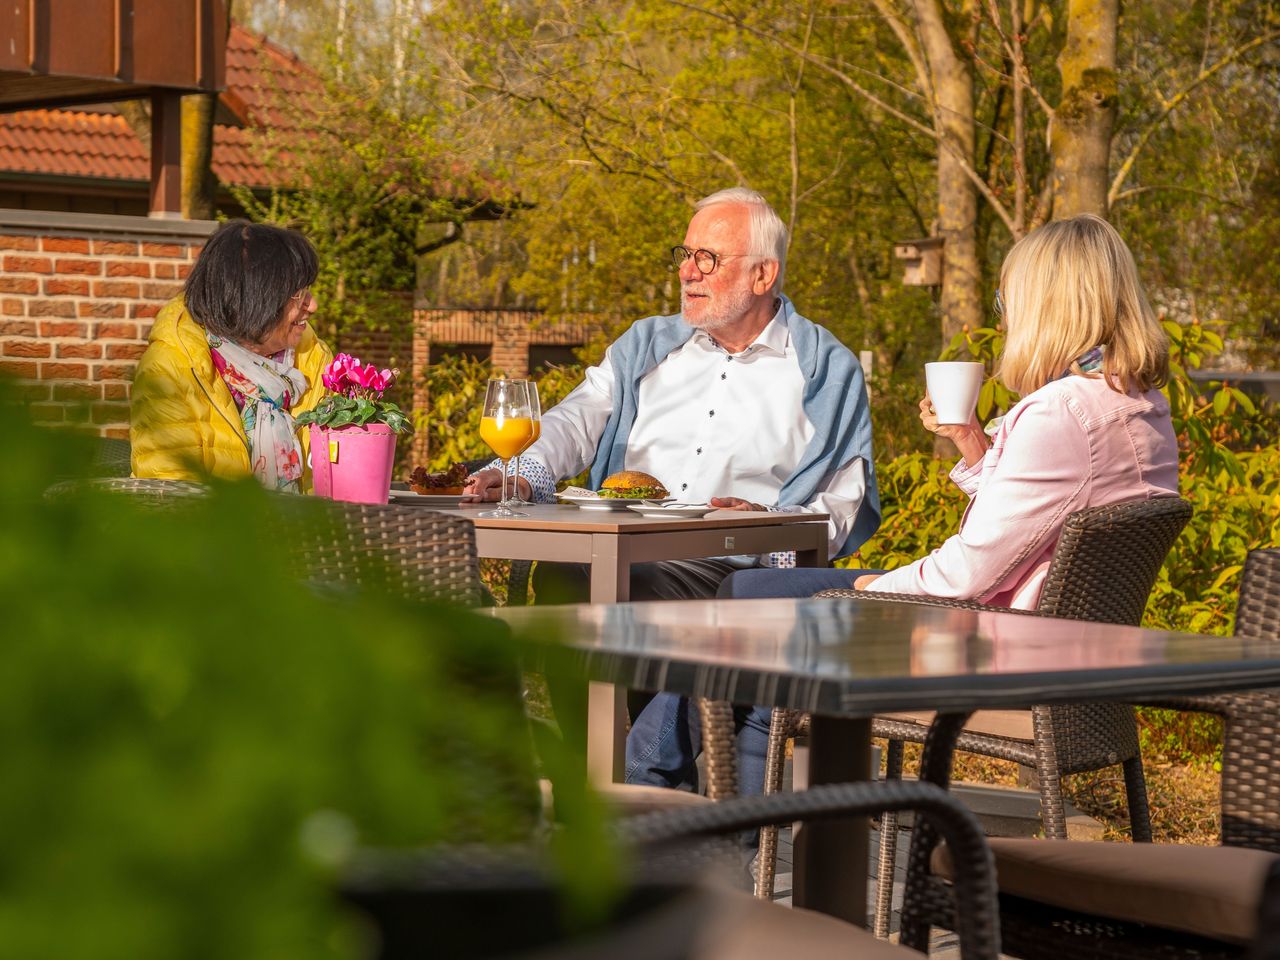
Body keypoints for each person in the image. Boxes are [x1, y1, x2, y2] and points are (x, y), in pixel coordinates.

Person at [464, 186, 881, 800]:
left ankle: (637, 789)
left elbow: (841, 503)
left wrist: (774, 518)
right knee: (568, 582)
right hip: (628, 552)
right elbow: (578, 417)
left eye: (708, 258)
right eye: (685, 254)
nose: (688, 271)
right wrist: (524, 470)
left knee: (630, 602)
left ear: (764, 274)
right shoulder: (645, 345)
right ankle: (600, 779)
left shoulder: (823, 366)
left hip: (736, 569)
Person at [718, 213, 1179, 608]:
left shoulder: (1060, 413)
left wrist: (873, 585)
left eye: (1006, 303)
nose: (1003, 320)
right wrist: (971, 440)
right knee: (751, 604)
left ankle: (762, 713)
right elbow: (1047, 512)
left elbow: (966, 575)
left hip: (997, 643)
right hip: (1064, 643)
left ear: (1044, 310)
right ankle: (757, 715)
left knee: (746, 592)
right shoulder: (1138, 404)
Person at [131, 220, 334, 492]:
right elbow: (170, 499)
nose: (314, 305)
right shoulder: (171, 368)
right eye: (298, 294)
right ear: (252, 298)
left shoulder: (313, 359)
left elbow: (338, 482)